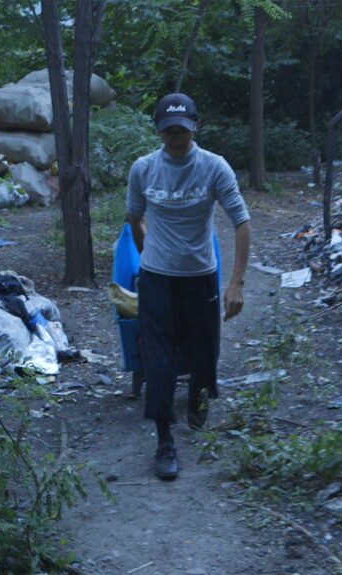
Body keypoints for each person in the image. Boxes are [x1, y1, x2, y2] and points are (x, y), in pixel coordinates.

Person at [126, 93, 251, 480]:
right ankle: (164, 441)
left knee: (203, 352)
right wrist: (153, 256)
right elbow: (134, 217)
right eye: (168, 131)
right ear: (159, 131)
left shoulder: (214, 168)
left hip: (200, 277)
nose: (175, 137)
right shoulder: (144, 169)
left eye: (182, 130)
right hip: (158, 279)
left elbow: (241, 223)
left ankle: (199, 400)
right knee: (158, 359)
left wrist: (236, 283)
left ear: (196, 127)